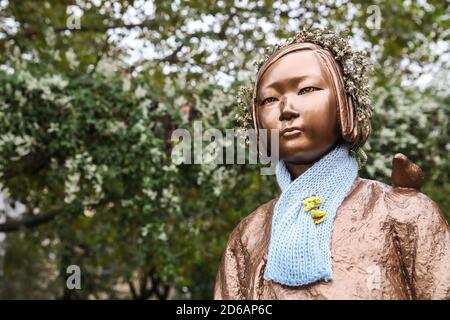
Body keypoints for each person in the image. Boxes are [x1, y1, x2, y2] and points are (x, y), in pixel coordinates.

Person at [214, 29, 450, 300]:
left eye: (307, 89)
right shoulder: (248, 237)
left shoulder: (403, 213)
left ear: (344, 105)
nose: (286, 109)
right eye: (270, 99)